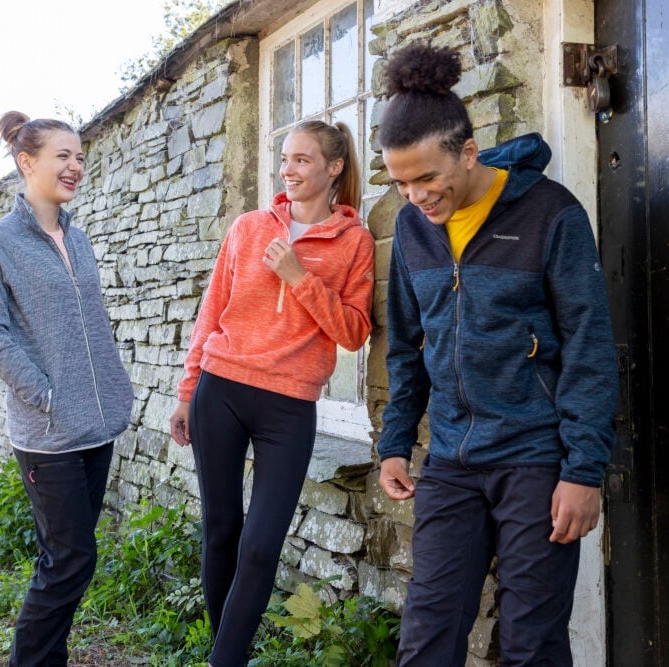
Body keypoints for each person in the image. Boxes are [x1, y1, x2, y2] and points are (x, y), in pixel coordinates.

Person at [374, 44, 618, 665]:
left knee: (531, 643)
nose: (416, 197)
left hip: (536, 459)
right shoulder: (410, 229)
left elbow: (590, 345)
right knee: (427, 634)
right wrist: (396, 441)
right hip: (452, 460)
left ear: (468, 152)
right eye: (401, 183)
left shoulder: (550, 214)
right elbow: (406, 342)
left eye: (428, 178)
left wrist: (583, 470)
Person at [169, 120, 375, 667]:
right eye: (285, 159)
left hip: (290, 404)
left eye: (303, 160)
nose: (288, 169)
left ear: (334, 168)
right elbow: (211, 312)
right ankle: (227, 655)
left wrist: (299, 275)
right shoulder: (249, 227)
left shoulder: (354, 242)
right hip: (223, 390)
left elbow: (354, 331)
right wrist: (188, 390)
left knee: (260, 545)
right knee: (221, 530)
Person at [0, 111, 134, 666]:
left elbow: (90, 325)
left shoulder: (77, 239)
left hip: (95, 425)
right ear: (27, 161)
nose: (75, 166)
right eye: (63, 155)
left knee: (67, 559)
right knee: (70, 559)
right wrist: (44, 394)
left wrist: (113, 392)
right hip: (47, 433)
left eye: (80, 156)